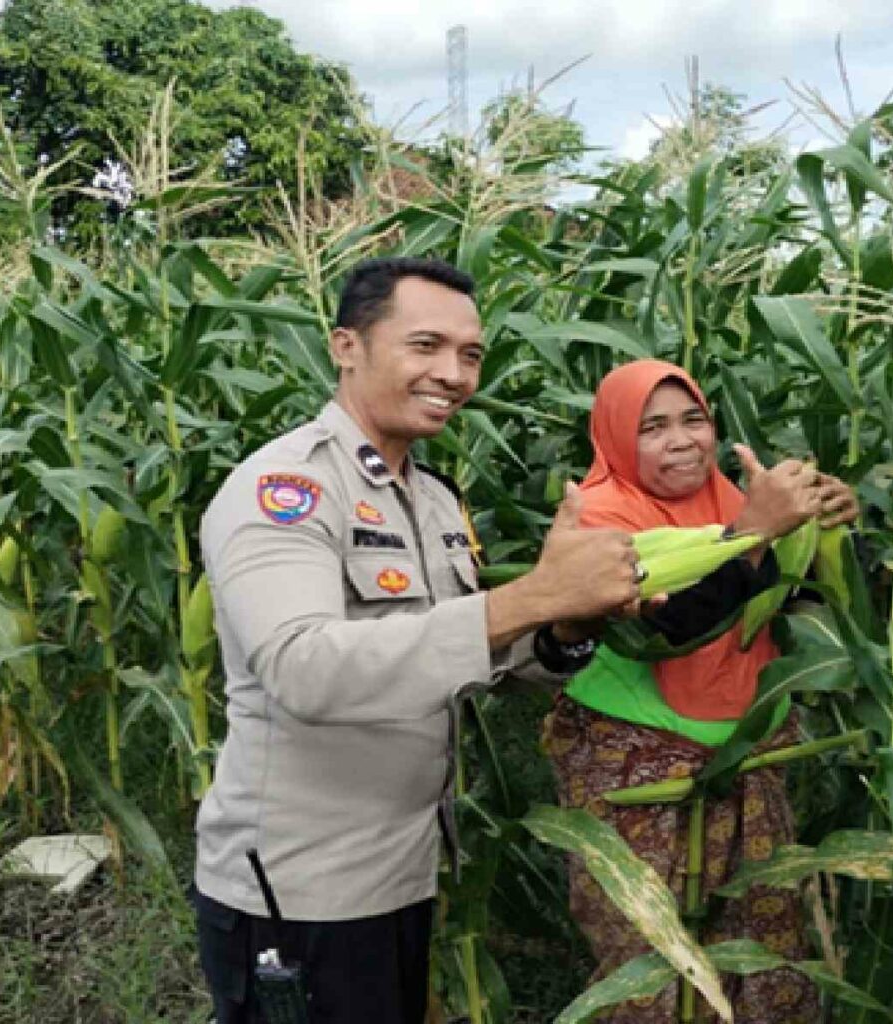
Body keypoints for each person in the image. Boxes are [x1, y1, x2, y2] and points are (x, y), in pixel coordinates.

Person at [190, 257, 645, 1024]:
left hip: (404, 871)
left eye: (471, 354)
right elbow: (304, 671)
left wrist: (569, 623)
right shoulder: (285, 491)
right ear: (346, 346)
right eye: (426, 345)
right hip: (300, 892)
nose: (454, 374)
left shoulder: (432, 499)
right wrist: (534, 594)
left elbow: (468, 650)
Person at [545, 359, 859, 1024]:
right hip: (635, 763)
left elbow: (790, 604)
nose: (682, 440)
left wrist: (823, 526)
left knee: (760, 954)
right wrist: (753, 534)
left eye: (694, 420)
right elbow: (666, 630)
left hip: (749, 751)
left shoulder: (736, 499)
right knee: (650, 960)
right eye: (652, 428)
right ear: (614, 437)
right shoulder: (597, 520)